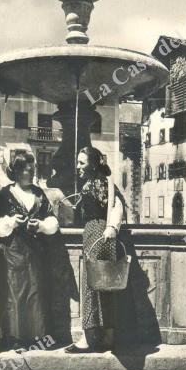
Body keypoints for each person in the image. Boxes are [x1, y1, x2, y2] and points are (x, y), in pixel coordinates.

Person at [0, 152, 60, 351]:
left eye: (33, 169)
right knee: (15, 294)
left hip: (36, 252)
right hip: (13, 251)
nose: (32, 173)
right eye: (28, 170)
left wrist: (41, 225)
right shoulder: (4, 195)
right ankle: (15, 339)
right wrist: (12, 222)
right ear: (17, 171)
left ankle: (38, 338)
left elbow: (52, 219)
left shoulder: (39, 193)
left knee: (36, 293)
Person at [65, 146, 126, 354]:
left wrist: (111, 227)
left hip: (97, 234)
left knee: (91, 285)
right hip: (101, 234)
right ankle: (109, 336)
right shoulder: (99, 182)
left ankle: (88, 338)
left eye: (82, 163)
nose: (78, 167)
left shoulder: (99, 183)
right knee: (105, 285)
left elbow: (117, 205)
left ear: (93, 164)